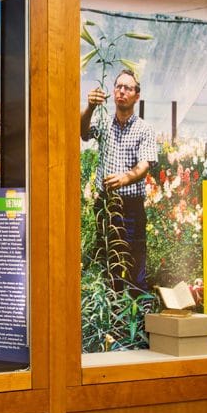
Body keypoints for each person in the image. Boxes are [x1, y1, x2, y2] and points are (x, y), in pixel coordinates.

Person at [80, 68, 158, 293]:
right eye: (119, 87)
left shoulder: (144, 129)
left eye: (128, 88)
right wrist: (90, 107)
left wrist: (124, 178)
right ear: (113, 92)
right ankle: (110, 322)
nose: (122, 91)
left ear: (137, 95)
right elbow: (82, 133)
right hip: (106, 207)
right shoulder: (103, 122)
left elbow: (144, 165)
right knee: (107, 264)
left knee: (135, 266)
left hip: (131, 208)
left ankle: (136, 320)